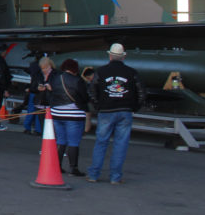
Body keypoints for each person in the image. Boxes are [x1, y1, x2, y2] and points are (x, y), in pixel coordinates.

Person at [87, 43, 146, 185]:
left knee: (101, 142)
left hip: (106, 110)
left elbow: (91, 90)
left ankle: (94, 175)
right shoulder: (132, 73)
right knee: (121, 144)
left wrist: (98, 105)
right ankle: (115, 177)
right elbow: (142, 93)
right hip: (125, 111)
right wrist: (134, 107)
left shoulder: (101, 71)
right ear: (123, 57)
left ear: (110, 55)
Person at [48, 58, 90, 176]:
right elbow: (85, 98)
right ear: (75, 68)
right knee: (74, 142)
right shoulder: (78, 81)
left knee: (61, 140)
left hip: (56, 113)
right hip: (74, 114)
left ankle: (57, 166)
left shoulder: (55, 79)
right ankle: (73, 168)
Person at [30, 56, 55, 133]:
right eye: (42, 68)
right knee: (43, 125)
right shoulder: (37, 75)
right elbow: (32, 88)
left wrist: (52, 88)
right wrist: (37, 88)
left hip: (52, 104)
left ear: (50, 66)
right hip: (40, 103)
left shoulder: (56, 74)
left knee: (52, 127)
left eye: (45, 68)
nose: (44, 70)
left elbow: (59, 88)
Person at [22, 54, 44, 135]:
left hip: (32, 91)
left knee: (31, 111)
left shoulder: (33, 67)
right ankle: (38, 130)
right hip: (39, 92)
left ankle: (27, 127)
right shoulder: (42, 70)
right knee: (39, 112)